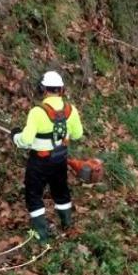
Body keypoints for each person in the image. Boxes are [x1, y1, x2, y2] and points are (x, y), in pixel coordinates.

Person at [11, 71, 84, 241]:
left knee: (34, 194)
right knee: (61, 190)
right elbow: (77, 134)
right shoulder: (71, 110)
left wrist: (15, 137)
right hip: (60, 160)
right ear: (61, 90)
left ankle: (41, 235)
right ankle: (67, 224)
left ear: (43, 89)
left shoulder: (37, 112)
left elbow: (26, 140)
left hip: (39, 161)